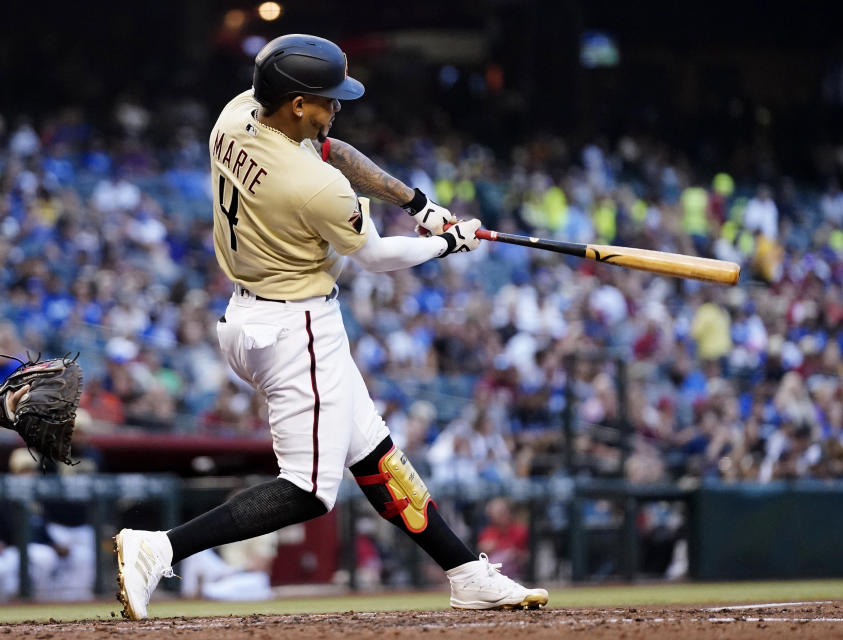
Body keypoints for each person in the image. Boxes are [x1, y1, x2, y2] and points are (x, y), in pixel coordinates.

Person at [114, 34, 547, 620]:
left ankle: (466, 573)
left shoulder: (237, 113)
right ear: (296, 104)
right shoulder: (312, 186)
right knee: (309, 490)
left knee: (371, 450)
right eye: (326, 99)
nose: (336, 106)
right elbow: (374, 257)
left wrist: (417, 204)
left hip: (251, 315)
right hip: (298, 328)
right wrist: (448, 243)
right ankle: (159, 547)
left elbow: (331, 148)